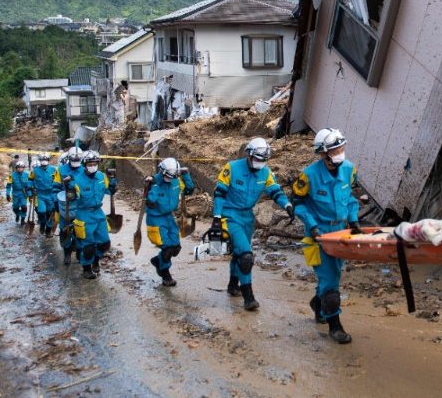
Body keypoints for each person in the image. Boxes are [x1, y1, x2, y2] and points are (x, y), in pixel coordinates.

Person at [292, 128, 360, 344]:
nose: (340, 152)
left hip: (341, 232)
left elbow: (350, 198)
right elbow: (298, 203)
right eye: (335, 149)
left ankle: (317, 304)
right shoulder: (309, 176)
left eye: (341, 147)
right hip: (318, 235)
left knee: (334, 274)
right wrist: (312, 226)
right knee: (330, 281)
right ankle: (335, 326)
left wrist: (355, 219)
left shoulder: (349, 170)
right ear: (323, 154)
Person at [212, 137, 293, 311]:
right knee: (246, 256)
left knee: (238, 254)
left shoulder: (266, 173)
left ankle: (233, 285)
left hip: (247, 217)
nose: (260, 163)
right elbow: (219, 193)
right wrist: (217, 217)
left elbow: (275, 191)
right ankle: (248, 296)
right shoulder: (232, 168)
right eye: (257, 159)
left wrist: (287, 205)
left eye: (263, 160)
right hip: (229, 215)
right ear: (249, 155)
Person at [144, 158, 194, 287]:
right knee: (167, 249)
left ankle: (157, 261)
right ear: (162, 171)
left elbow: (189, 189)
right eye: (168, 176)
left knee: (176, 248)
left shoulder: (176, 181)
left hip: (169, 217)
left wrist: (186, 175)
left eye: (173, 176)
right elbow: (150, 202)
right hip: (155, 218)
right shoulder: (154, 182)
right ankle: (165, 274)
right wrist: (153, 186)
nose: (170, 178)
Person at [68, 150, 117, 279]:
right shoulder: (77, 179)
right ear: (84, 164)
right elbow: (73, 196)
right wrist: (70, 191)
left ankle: (96, 259)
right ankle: (86, 267)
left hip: (98, 213)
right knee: (88, 246)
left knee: (104, 243)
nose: (92, 166)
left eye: (95, 163)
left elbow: (108, 191)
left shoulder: (101, 176)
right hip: (83, 214)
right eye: (89, 163)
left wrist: (112, 183)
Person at [53, 147, 83, 265]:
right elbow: (55, 187)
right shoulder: (61, 170)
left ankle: (80, 253)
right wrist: (56, 203)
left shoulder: (84, 170)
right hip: (65, 205)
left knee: (80, 231)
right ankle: (67, 253)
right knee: (65, 230)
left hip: (80, 206)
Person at [32, 153, 57, 236]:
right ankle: (42, 224)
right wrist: (31, 188)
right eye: (42, 160)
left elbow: (57, 181)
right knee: (42, 212)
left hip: (50, 195)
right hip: (40, 195)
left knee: (50, 213)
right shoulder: (35, 170)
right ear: (40, 161)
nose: (44, 162)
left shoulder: (53, 170)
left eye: (46, 160)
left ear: (48, 161)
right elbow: (30, 180)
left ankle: (48, 230)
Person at [6, 160, 33, 224]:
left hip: (23, 193)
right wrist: (7, 194)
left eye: (21, 167)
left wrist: (30, 194)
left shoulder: (27, 175)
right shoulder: (12, 175)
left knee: (24, 206)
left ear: (23, 168)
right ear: (16, 168)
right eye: (18, 167)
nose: (20, 169)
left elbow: (29, 185)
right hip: (15, 194)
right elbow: (8, 186)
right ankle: (18, 214)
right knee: (15, 207)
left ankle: (23, 219)